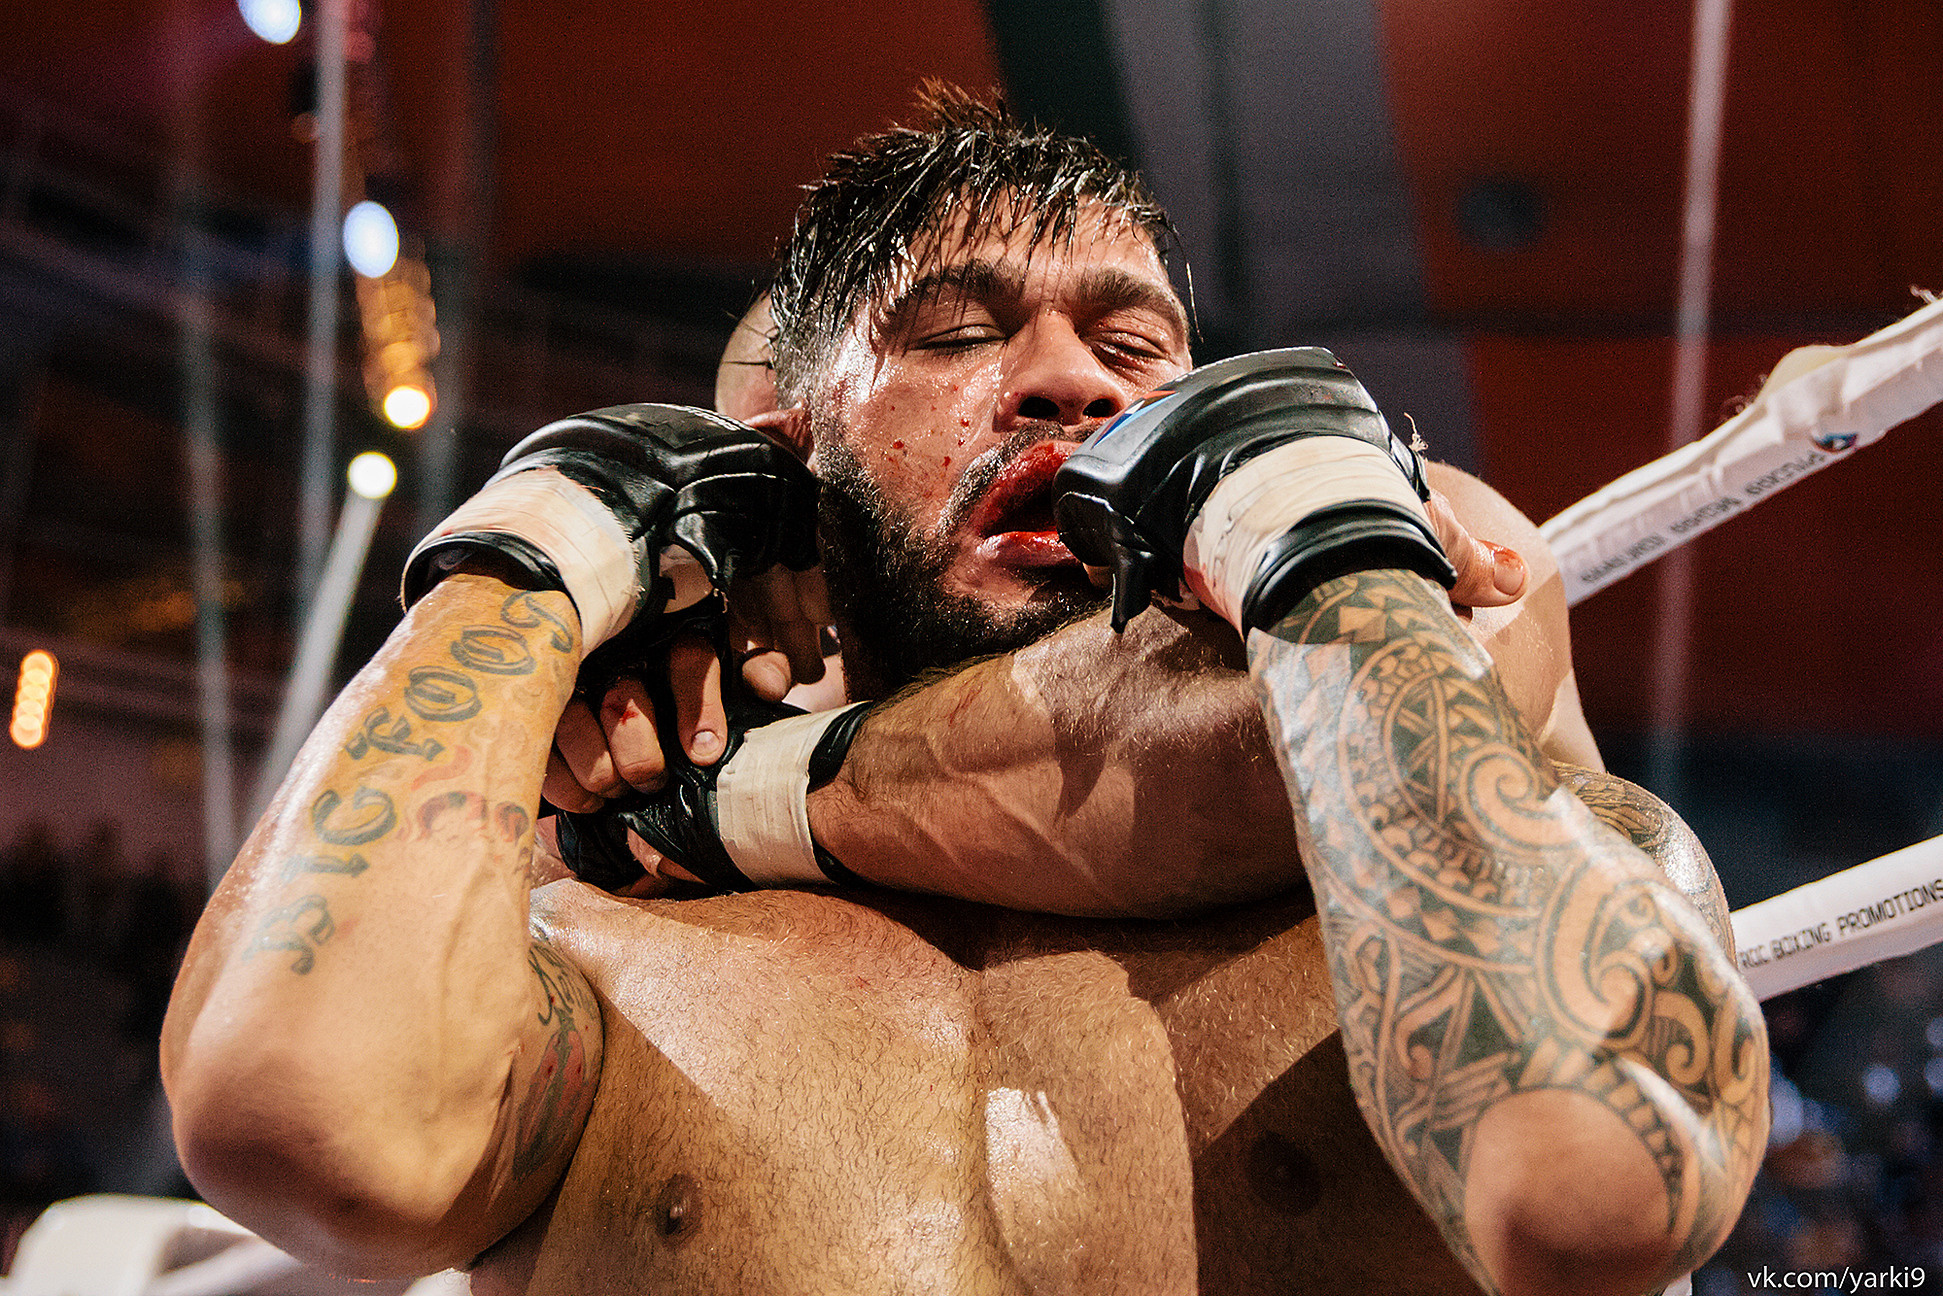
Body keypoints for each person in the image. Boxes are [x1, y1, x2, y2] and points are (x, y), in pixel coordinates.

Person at [162, 89, 1765, 1295]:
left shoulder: (1429, 852)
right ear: (790, 463)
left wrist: (1326, 555)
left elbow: (1598, 1187)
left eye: (1139, 349)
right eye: (957, 333)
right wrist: (535, 556)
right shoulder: (599, 904)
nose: (1073, 380)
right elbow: (304, 1123)